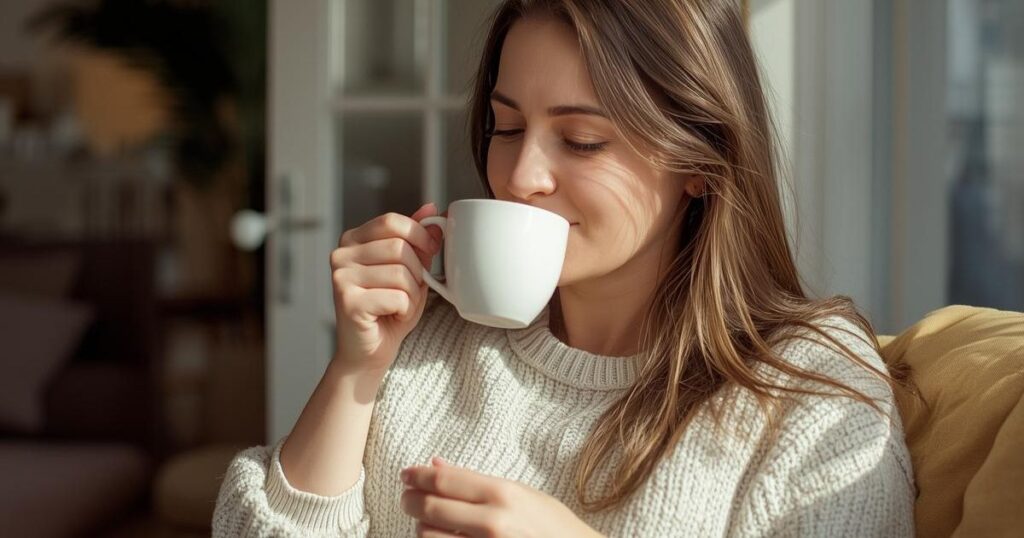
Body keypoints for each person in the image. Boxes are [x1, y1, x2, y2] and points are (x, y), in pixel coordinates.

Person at [213, 1, 916, 536]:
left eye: (582, 140)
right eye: (507, 127)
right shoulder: (422, 344)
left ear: (700, 165)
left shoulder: (808, 388)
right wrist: (354, 372)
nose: (520, 176)